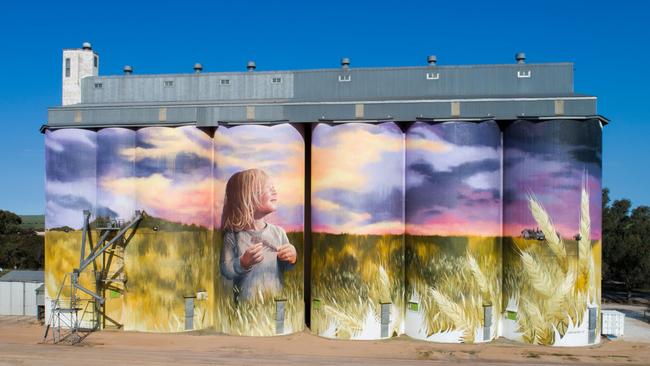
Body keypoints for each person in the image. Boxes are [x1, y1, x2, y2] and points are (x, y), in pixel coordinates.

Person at [219, 168, 297, 302]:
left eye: (273, 187)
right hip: (245, 308)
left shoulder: (278, 233)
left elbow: (286, 267)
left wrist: (292, 257)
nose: (274, 191)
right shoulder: (233, 236)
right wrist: (242, 263)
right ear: (248, 197)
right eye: (268, 188)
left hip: (275, 302)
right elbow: (225, 270)